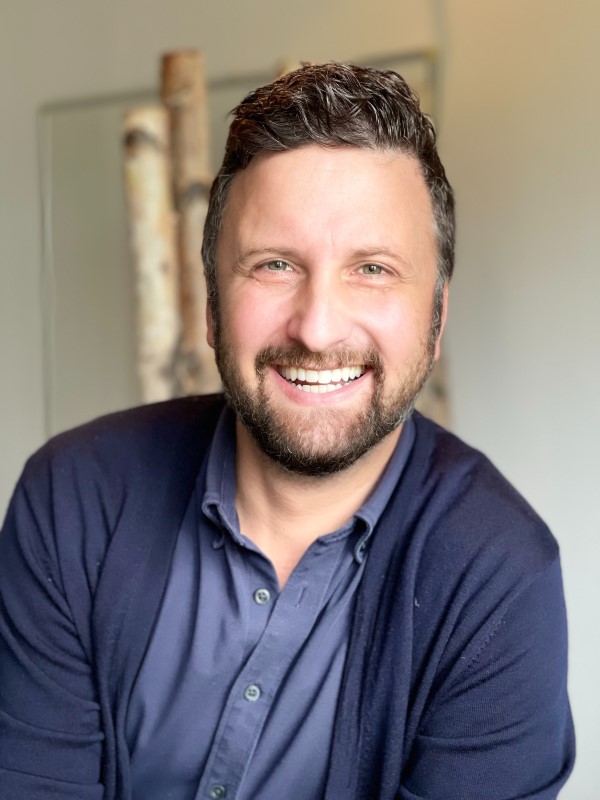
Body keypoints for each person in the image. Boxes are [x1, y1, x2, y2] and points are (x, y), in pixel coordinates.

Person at [0, 63, 574, 800]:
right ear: (212, 307)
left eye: (373, 268)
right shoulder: (73, 500)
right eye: (274, 264)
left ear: (436, 320)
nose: (317, 328)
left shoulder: (499, 582)